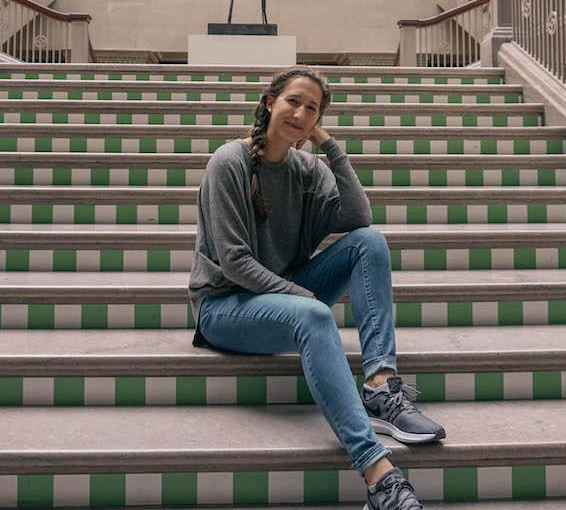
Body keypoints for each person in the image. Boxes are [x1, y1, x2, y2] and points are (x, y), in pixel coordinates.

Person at [189, 66, 444, 510]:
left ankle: (381, 385)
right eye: (293, 101)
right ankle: (378, 475)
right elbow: (234, 261)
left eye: (312, 109)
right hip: (225, 307)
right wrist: (304, 298)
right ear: (270, 102)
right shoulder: (228, 162)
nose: (301, 113)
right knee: (313, 314)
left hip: (284, 297)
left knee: (370, 242)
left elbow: (358, 218)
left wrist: (329, 147)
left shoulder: (307, 170)